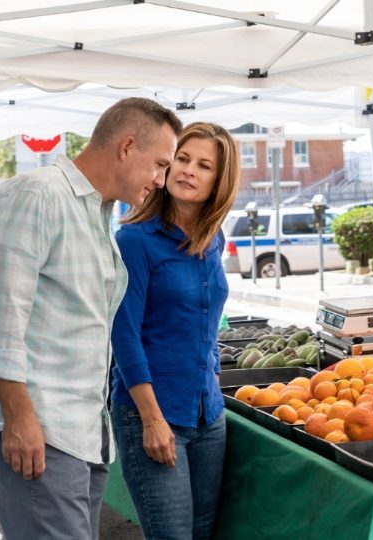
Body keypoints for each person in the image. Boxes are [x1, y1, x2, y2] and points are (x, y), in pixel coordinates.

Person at [0, 98, 183, 540]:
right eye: (159, 165)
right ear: (126, 147)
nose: (162, 181)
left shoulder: (96, 214)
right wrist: (20, 419)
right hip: (39, 429)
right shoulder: (36, 194)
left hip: (81, 433)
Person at [110, 122, 240, 539]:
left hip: (208, 416)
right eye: (182, 159)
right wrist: (151, 419)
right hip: (152, 414)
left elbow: (207, 319)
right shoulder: (135, 240)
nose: (188, 171)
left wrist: (213, 378)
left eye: (204, 166)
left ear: (219, 181)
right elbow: (124, 335)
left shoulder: (213, 239)